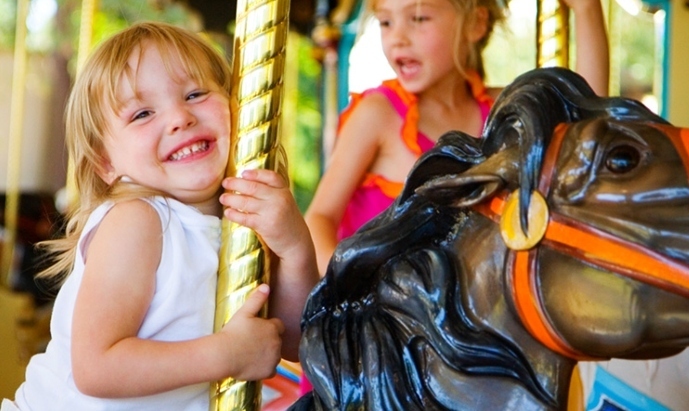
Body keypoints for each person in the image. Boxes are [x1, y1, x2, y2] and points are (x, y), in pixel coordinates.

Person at [1, 21, 318, 411]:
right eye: (142, 114)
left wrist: (295, 248)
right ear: (105, 162)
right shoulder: (138, 221)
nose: (179, 117)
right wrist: (225, 354)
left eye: (196, 93)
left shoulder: (245, 220)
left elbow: (293, 342)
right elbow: (96, 367)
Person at [304, 0, 609, 276]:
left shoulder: (502, 114)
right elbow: (319, 217)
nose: (397, 37)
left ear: (475, 24)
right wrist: (345, 280)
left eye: (419, 18)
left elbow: (583, 129)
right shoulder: (379, 115)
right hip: (388, 312)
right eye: (385, 22)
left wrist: (586, 10)